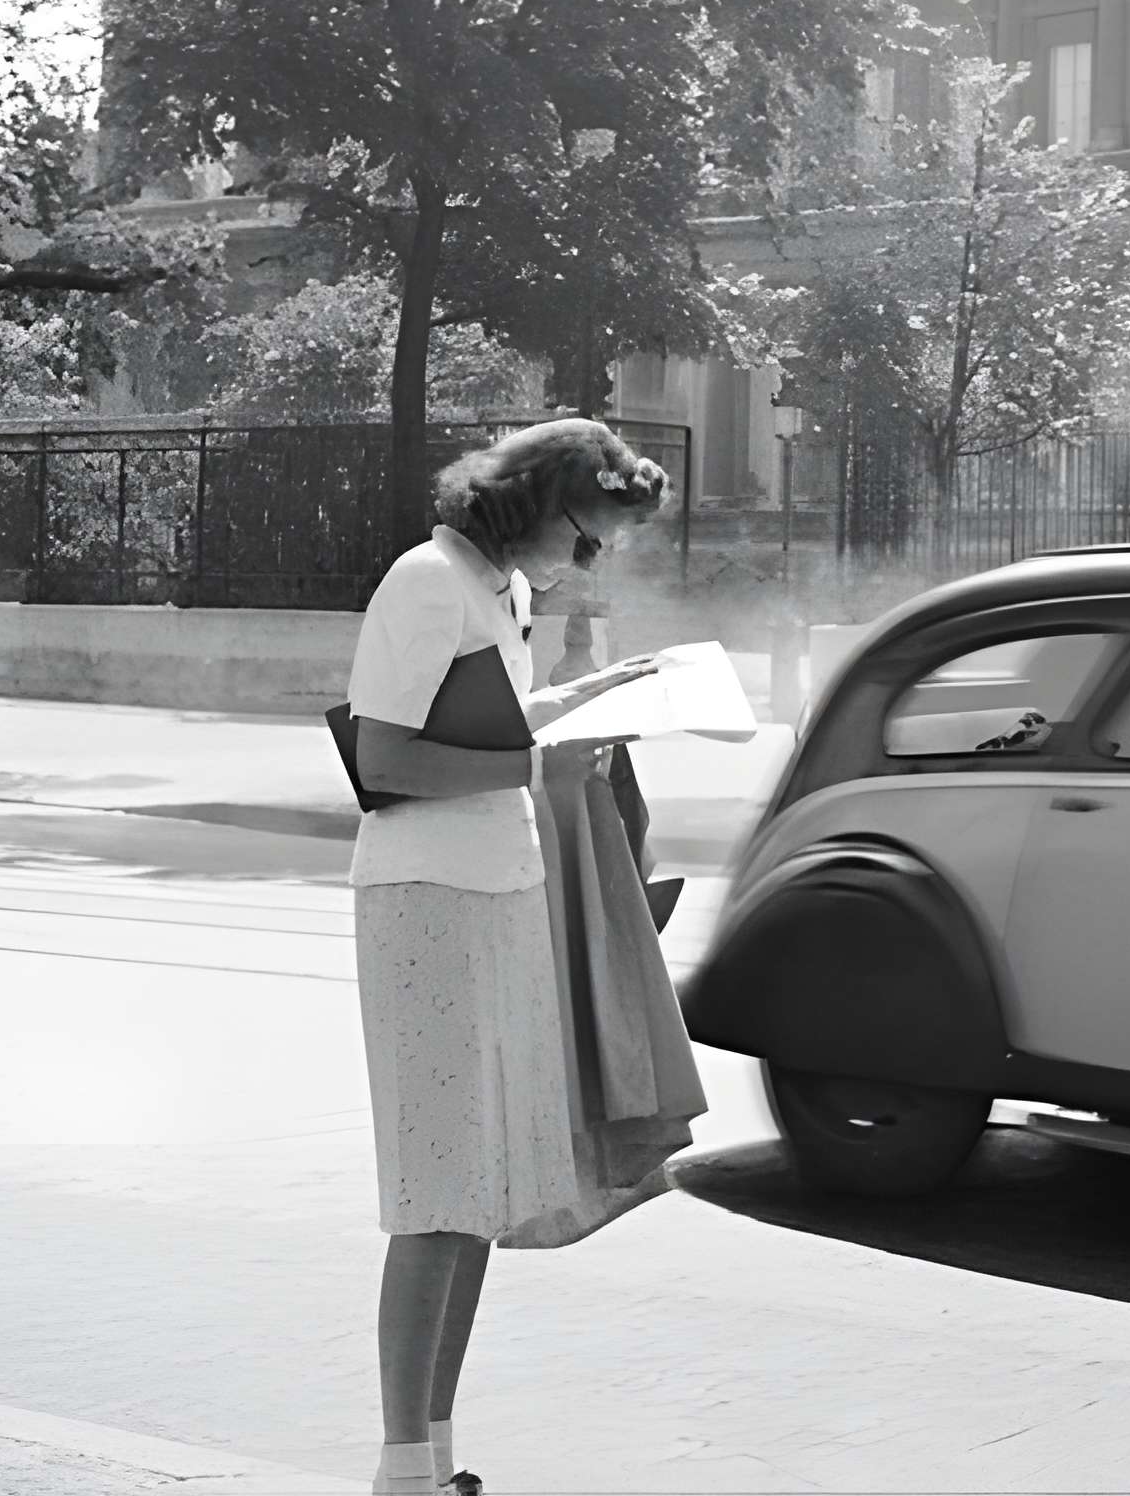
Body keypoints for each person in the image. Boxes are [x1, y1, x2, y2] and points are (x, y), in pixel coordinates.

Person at [348, 419, 689, 1496]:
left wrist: (586, 700)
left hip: (498, 891)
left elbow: (495, 729)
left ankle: (432, 1460)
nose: (587, 562)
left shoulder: (500, 591)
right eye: (585, 538)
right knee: (436, 1192)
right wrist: (526, 754)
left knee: (480, 1192)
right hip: (427, 900)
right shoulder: (425, 582)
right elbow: (385, 756)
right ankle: (402, 1471)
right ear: (533, 499)